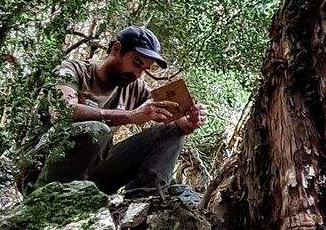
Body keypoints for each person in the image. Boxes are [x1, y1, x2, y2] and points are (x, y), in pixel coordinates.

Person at [32, 25, 204, 194]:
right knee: (97, 130)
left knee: (171, 131)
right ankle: (52, 197)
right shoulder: (71, 71)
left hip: (93, 175)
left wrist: (185, 121)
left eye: (144, 69)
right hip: (45, 169)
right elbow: (63, 111)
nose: (137, 74)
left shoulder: (134, 87)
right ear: (116, 49)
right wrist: (130, 116)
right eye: (136, 62)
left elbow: (167, 113)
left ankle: (145, 202)